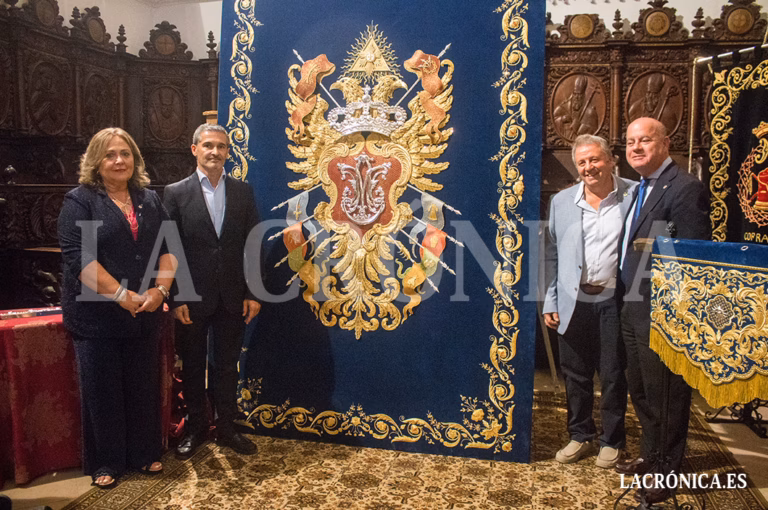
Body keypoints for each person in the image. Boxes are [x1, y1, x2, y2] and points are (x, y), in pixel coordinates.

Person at [58, 128, 177, 488]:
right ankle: (106, 462)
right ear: (96, 161)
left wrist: (159, 291)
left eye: (125, 153)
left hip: (145, 312)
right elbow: (79, 259)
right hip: (97, 316)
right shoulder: (79, 201)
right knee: (103, 390)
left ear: (135, 159)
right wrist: (122, 296)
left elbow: (169, 248)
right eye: (110, 154)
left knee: (143, 386)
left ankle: (144, 453)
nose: (119, 160)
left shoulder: (149, 200)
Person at [615, 118, 709, 504]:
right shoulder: (640, 188)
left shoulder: (685, 188)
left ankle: (667, 473)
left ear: (666, 143)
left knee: (667, 394)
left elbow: (692, 259)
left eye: (645, 141)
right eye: (630, 142)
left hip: (663, 312)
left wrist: (675, 312)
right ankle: (651, 456)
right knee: (641, 389)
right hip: (632, 306)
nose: (636, 148)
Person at [163, 123, 261, 458]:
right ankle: (195, 428)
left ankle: (227, 428)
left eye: (221, 146)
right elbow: (169, 247)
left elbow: (252, 243)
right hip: (191, 297)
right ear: (194, 150)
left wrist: (253, 292)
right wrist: (177, 297)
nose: (214, 152)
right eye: (207, 145)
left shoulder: (243, 191)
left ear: (228, 152)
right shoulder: (175, 193)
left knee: (227, 363)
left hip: (233, 295)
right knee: (192, 364)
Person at [543, 134, 634, 469]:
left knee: (612, 373)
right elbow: (552, 256)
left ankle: (612, 440)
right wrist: (551, 300)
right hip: (572, 299)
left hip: (615, 299)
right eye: (582, 162)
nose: (589, 167)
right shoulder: (562, 202)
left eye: (595, 160)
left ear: (610, 160)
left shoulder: (632, 195)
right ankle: (580, 435)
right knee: (575, 373)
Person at [553, 75, 599, 140]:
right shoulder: (563, 107)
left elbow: (594, 132)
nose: (576, 97)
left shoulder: (590, 112)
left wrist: (579, 127)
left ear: (583, 95)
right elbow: (552, 123)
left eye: (579, 94)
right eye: (575, 94)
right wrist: (562, 119)